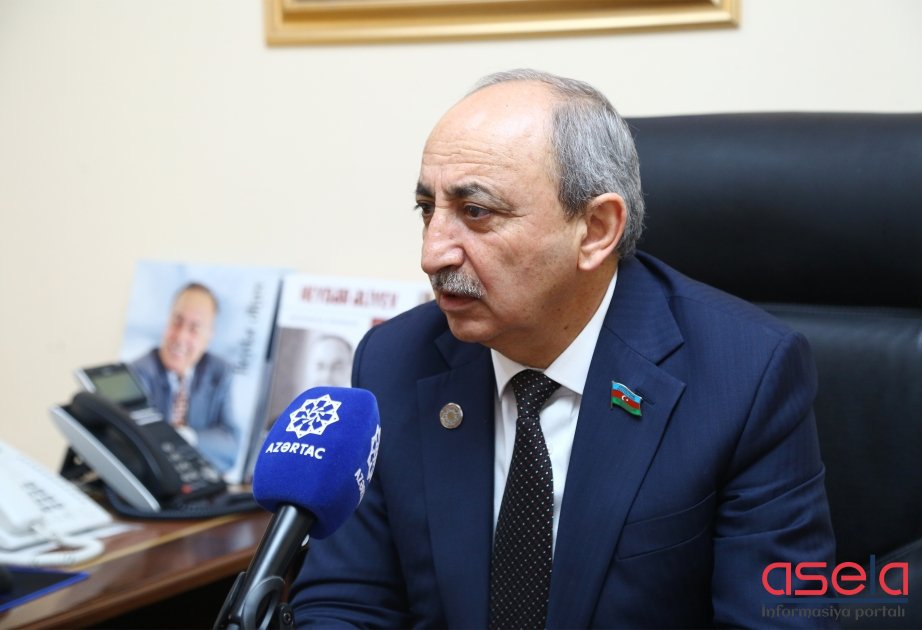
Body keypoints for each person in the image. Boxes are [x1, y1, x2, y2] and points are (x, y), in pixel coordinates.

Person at [289, 69, 835, 627]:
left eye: (476, 212)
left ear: (596, 229)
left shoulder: (745, 375)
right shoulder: (394, 360)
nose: (432, 254)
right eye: (428, 209)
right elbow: (344, 602)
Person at [129, 282, 238, 472]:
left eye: (194, 328)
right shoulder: (138, 372)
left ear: (209, 336)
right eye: (177, 322)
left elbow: (230, 448)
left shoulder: (220, 372)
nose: (181, 337)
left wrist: (186, 436)